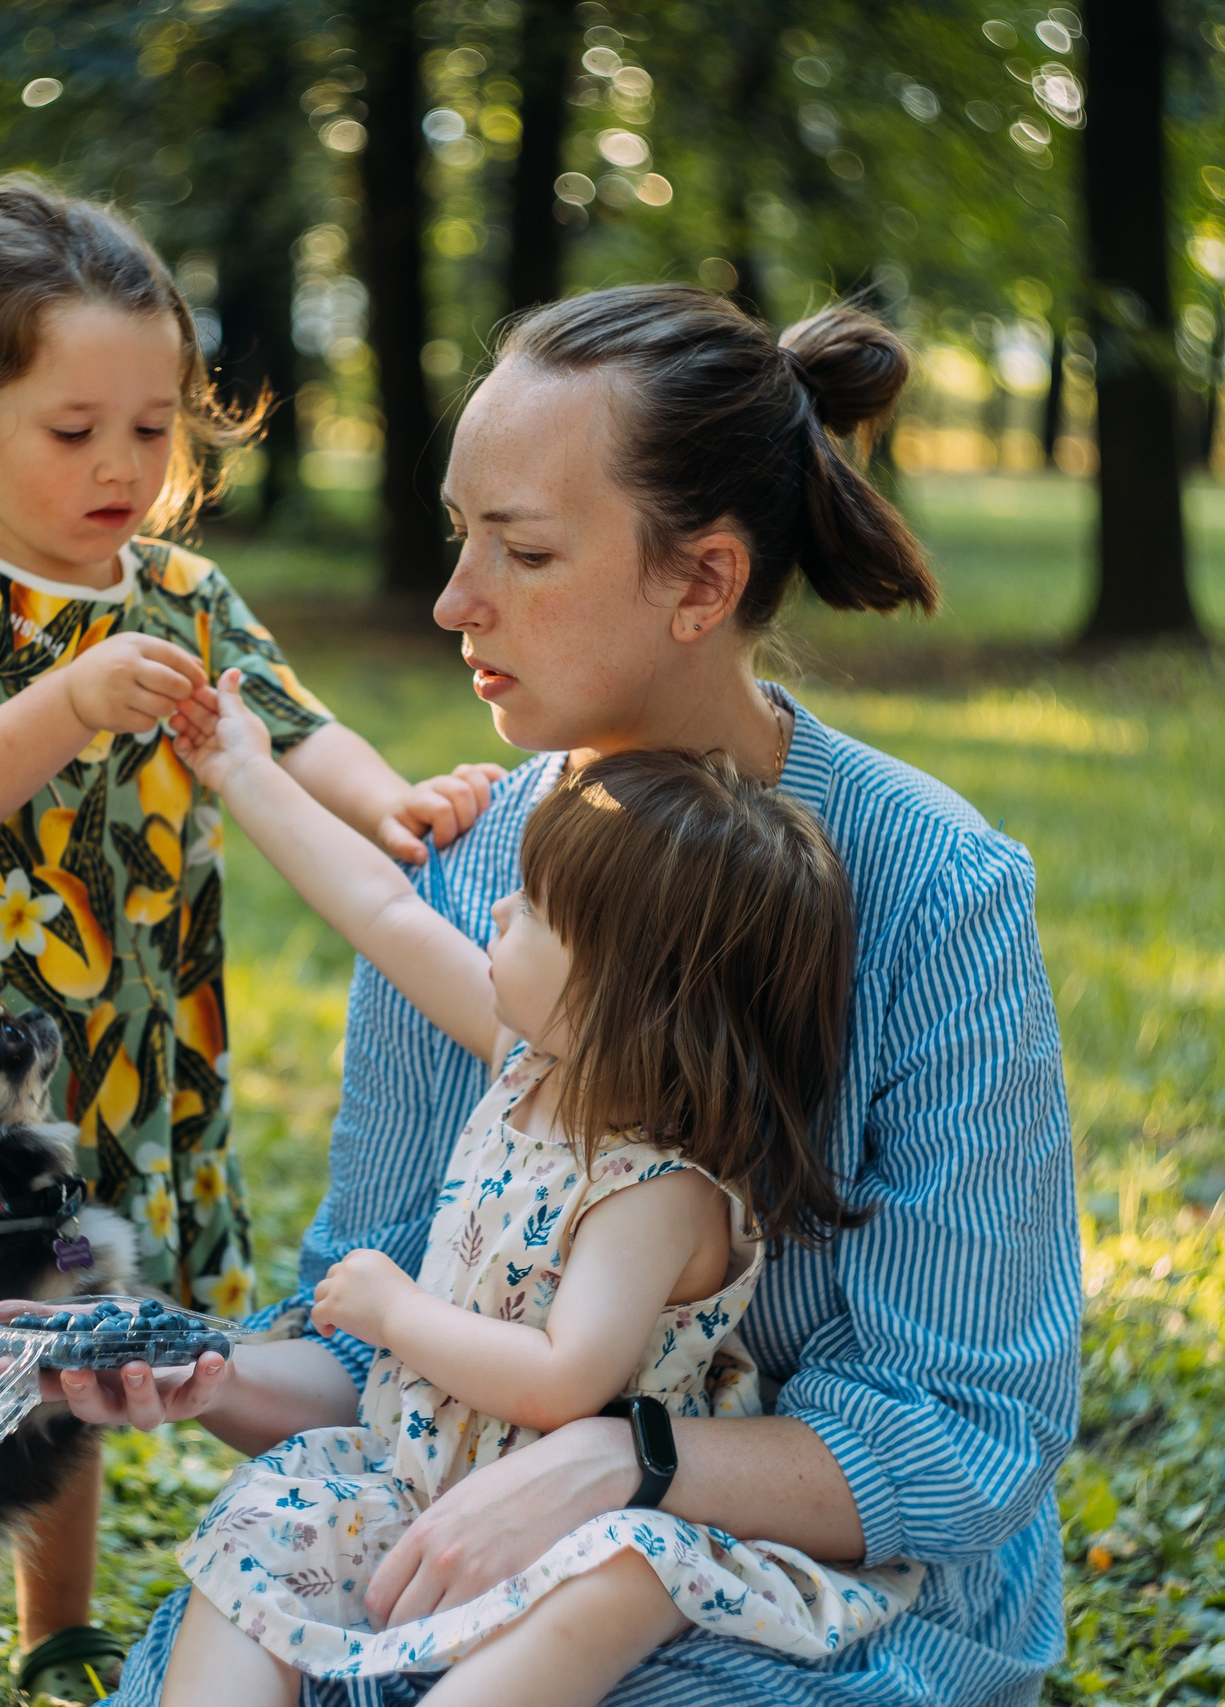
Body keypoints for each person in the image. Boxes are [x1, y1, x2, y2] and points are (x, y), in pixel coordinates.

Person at [65, 285, 1081, 1707]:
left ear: (702, 583)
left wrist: (622, 1459)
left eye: (526, 550)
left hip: (819, 1583)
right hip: (456, 1517)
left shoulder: (934, 890)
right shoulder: (471, 862)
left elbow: (963, 1437)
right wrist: (207, 1372)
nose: (453, 600)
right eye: (458, 535)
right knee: (249, 1621)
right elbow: (378, 1336)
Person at [0, 176, 501, 1704]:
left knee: (84, 1333)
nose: (124, 466)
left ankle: (52, 1624)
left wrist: (392, 797)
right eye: (74, 430)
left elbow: (293, 723)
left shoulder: (185, 593)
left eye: (153, 426)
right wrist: (67, 699)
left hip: (135, 1044)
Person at [149, 679, 928, 1703]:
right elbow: (383, 908)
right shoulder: (525, 1065)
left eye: (534, 907)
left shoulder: (656, 1190)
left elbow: (564, 1379)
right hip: (425, 1482)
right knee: (260, 1525)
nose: (497, 908)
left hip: (583, 1520)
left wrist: (396, 1312)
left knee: (618, 1580)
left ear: (618, 989)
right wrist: (243, 770)